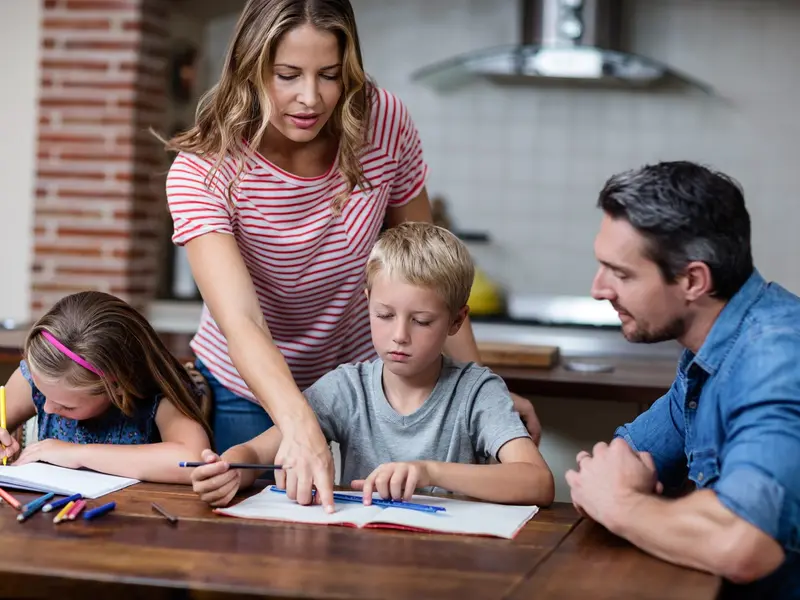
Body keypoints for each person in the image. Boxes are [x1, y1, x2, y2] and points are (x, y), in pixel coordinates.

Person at [163, 0, 540, 512]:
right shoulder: (205, 170)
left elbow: (431, 274)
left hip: (370, 391)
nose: (310, 98)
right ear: (249, 69)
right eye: (288, 75)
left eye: (330, 75)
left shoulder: (384, 123)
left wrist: (479, 390)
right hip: (247, 392)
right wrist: (299, 424)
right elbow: (243, 321)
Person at [188, 222, 555, 509]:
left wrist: (428, 471)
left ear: (456, 321)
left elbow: (538, 483)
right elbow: (257, 452)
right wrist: (232, 468)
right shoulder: (347, 388)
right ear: (367, 302)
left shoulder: (477, 392)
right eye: (383, 314)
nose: (399, 335)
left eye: (422, 321)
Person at [565, 161, 800, 598]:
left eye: (621, 273)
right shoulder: (707, 354)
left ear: (693, 280)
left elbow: (745, 544)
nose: (599, 288)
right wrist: (614, 494)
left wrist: (623, 505)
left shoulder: (777, 357)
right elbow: (611, 465)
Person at [0, 291, 212, 484]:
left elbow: (193, 461)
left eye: (67, 406)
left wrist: (77, 454)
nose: (47, 408)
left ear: (117, 386)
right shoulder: (37, 378)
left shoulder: (159, 397)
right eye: (42, 394)